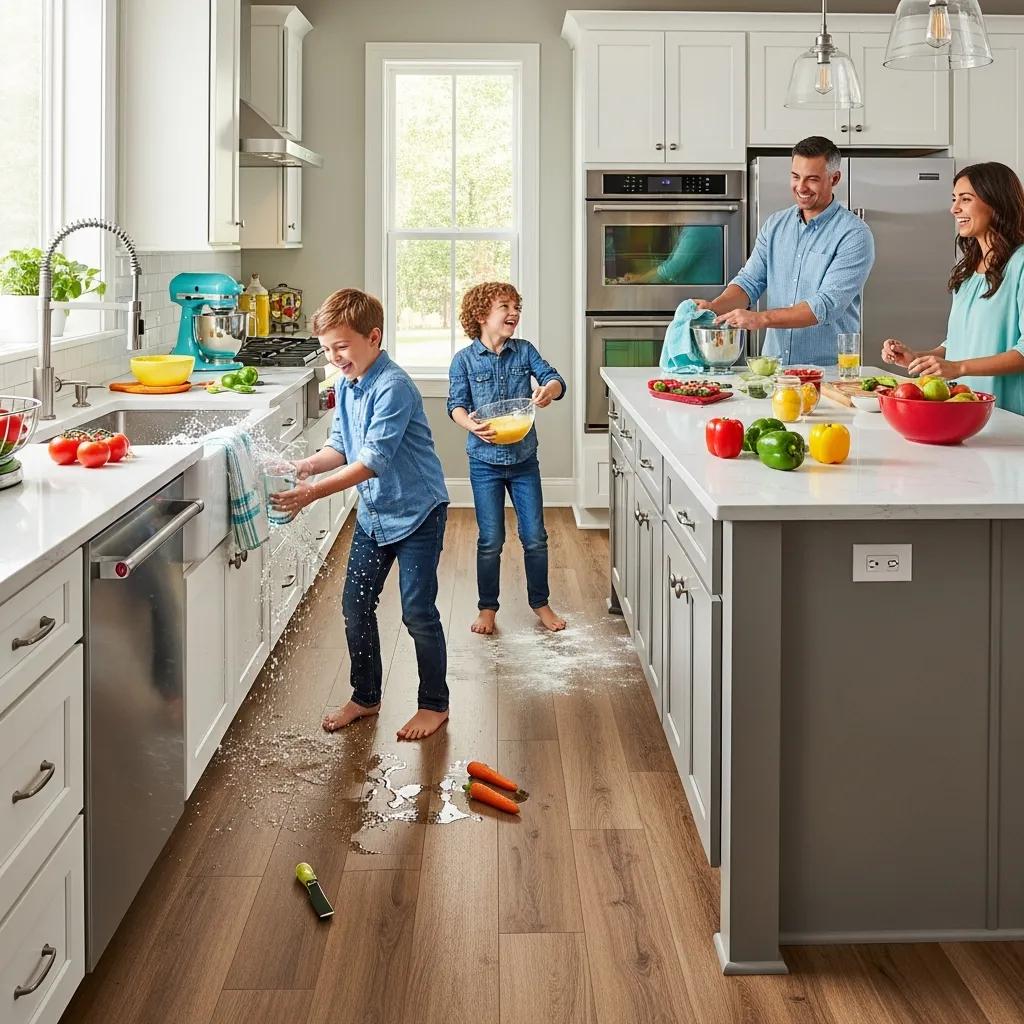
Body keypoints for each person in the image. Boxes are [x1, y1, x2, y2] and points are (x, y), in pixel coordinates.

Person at [270, 288, 451, 741]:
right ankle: (366, 696)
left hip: (417, 515)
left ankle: (434, 704)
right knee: (355, 607)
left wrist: (311, 493)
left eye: (342, 347)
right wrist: (305, 466)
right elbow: (341, 447)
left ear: (373, 337)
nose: (334, 358)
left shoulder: (393, 388)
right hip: (375, 513)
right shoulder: (348, 386)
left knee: (417, 612)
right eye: (328, 350)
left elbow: (372, 461)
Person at [447, 281, 567, 636]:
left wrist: (549, 391)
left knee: (535, 536)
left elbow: (554, 378)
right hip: (484, 462)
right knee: (490, 539)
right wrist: (470, 424)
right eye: (505, 306)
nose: (514, 312)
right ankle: (487, 608)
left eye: (517, 306)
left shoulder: (525, 351)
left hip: (523, 461)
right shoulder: (464, 360)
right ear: (482, 315)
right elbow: (455, 404)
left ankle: (540, 603)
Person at [697, 136, 875, 366]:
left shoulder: (854, 234)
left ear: (835, 178)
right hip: (774, 369)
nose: (801, 187)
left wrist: (761, 319)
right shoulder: (775, 225)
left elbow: (826, 304)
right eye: (795, 176)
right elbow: (749, 282)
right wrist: (714, 307)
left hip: (827, 373)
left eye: (812, 179)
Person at [882, 162, 1024, 414]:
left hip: (1008, 419)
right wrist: (919, 358)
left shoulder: (1020, 263)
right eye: (954, 199)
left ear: (996, 202)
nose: (954, 208)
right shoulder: (967, 269)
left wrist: (959, 368)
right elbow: (960, 341)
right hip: (961, 411)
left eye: (965, 199)